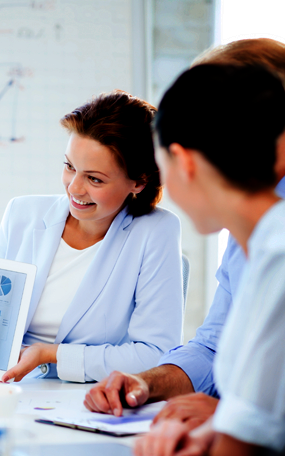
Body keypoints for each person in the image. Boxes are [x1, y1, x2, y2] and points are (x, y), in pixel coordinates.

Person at [0, 90, 183, 383]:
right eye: (69, 167)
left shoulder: (155, 232)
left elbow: (155, 353)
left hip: (86, 396)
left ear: (138, 182)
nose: (74, 188)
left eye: (94, 179)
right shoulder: (22, 213)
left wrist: (52, 355)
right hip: (6, 386)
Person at [84, 38, 285, 428]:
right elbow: (214, 345)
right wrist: (147, 382)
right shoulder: (248, 226)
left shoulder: (271, 235)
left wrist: (233, 421)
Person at [135, 63, 285, 456]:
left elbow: (244, 446)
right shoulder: (257, 246)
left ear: (183, 162)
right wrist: (216, 429)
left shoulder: (276, 257)